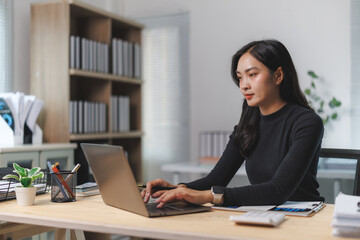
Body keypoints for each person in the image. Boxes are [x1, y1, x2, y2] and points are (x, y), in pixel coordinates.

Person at [141, 39, 325, 208]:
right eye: (239, 77)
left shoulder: (307, 122)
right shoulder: (248, 125)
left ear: (278, 76)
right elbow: (216, 179)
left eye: (252, 75)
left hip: (303, 215)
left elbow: (279, 190)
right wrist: (176, 188)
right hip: (266, 213)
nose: (243, 85)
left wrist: (210, 196)